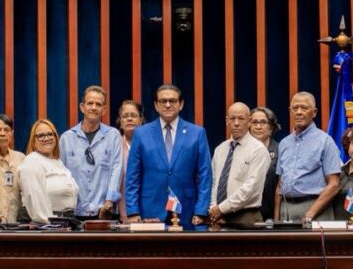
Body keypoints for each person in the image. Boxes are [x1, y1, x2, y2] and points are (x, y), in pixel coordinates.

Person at [125, 84, 211, 229]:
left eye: (172, 101)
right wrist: (133, 211)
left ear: (181, 104)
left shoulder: (197, 133)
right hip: (150, 210)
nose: (168, 105)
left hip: (188, 211)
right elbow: (133, 175)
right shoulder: (141, 134)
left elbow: (205, 175)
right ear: (156, 105)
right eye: (163, 101)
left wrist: (201, 210)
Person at [275, 92, 342, 223]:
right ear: (290, 111)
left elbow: (334, 184)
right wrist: (276, 218)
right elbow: (280, 185)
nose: (299, 112)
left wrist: (310, 214)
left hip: (315, 208)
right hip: (286, 208)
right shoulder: (284, 143)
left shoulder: (325, 141)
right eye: (295, 108)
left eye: (304, 108)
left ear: (314, 112)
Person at [60, 86, 123, 220]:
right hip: (74, 211)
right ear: (82, 107)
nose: (94, 107)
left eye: (98, 104)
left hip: (104, 211)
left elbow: (117, 170)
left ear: (104, 109)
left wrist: (109, 202)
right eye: (90, 103)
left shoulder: (113, 135)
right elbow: (62, 174)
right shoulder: (66, 138)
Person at [208, 102, 270, 229]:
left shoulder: (258, 149)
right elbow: (213, 183)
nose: (236, 123)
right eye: (232, 118)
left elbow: (251, 188)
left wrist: (221, 208)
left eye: (241, 118)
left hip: (246, 217)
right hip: (219, 218)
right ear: (227, 121)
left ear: (249, 122)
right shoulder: (220, 149)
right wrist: (214, 207)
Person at [18, 119, 80, 224]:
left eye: (50, 134)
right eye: (41, 136)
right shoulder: (32, 162)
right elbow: (36, 203)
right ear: (33, 141)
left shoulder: (58, 162)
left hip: (63, 221)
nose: (46, 138)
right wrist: (51, 227)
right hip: (45, 225)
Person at [249, 106, 281, 221]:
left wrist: (277, 218)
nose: (258, 126)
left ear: (271, 127)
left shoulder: (279, 149)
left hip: (273, 213)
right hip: (247, 215)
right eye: (254, 122)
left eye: (263, 122)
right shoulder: (242, 150)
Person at [116, 100, 144, 221]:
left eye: (133, 115)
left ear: (141, 120)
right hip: (120, 206)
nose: (129, 119)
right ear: (120, 122)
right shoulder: (115, 145)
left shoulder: (149, 144)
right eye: (125, 116)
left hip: (146, 205)